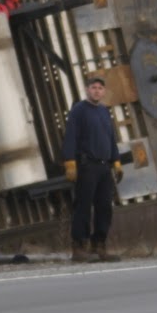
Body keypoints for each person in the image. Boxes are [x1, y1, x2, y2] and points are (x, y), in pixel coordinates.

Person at [61, 75, 122, 262]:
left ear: (104, 91)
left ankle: (99, 245)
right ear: (87, 90)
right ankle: (79, 247)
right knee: (83, 207)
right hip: (87, 165)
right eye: (93, 87)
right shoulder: (79, 110)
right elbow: (70, 136)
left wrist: (116, 161)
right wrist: (70, 161)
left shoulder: (104, 111)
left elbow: (110, 138)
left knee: (105, 207)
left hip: (104, 167)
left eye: (100, 88)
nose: (97, 91)